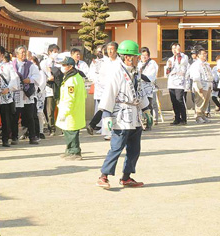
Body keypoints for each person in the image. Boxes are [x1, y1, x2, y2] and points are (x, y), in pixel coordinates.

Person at [96, 40, 152, 189]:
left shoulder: (136, 72)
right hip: (121, 115)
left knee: (135, 149)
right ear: (127, 57)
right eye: (135, 56)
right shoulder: (116, 72)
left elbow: (140, 92)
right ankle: (103, 176)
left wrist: (146, 109)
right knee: (116, 147)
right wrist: (106, 115)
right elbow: (109, 93)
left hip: (135, 115)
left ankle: (126, 177)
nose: (137, 59)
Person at [56, 57, 86, 160]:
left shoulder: (72, 80)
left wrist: (65, 111)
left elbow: (70, 98)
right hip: (74, 109)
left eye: (64, 65)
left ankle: (75, 152)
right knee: (68, 131)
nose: (62, 67)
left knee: (71, 132)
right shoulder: (73, 77)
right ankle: (69, 151)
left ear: (71, 67)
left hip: (72, 110)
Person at [12, 45, 40, 145]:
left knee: (30, 116)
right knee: (15, 116)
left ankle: (32, 136)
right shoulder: (12, 65)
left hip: (27, 93)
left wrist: (30, 80)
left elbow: (37, 77)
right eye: (21, 52)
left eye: (25, 52)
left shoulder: (31, 65)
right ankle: (14, 137)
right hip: (16, 92)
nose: (23, 54)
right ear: (17, 54)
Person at [0, 46, 19, 147]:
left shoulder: (8, 66)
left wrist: (8, 88)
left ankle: (5, 139)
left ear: (2, 55)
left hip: (5, 95)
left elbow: (14, 79)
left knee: (6, 118)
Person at [40, 44, 63, 136]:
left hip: (59, 87)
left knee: (61, 109)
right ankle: (52, 128)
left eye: (57, 52)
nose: (56, 54)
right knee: (50, 110)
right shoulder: (44, 62)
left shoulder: (60, 62)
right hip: (49, 88)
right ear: (49, 52)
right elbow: (45, 75)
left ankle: (62, 128)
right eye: (54, 52)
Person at [164, 43, 189, 125]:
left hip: (179, 82)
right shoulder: (170, 59)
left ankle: (184, 118)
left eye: (176, 48)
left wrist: (178, 54)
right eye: (173, 48)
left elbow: (183, 63)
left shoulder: (184, 57)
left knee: (179, 100)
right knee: (174, 101)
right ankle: (177, 118)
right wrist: (169, 67)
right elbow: (167, 73)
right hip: (171, 82)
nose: (174, 50)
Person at [189, 48, 213, 124]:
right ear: (198, 55)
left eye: (205, 53)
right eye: (203, 54)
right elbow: (195, 77)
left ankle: (203, 115)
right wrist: (199, 87)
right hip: (201, 85)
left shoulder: (207, 64)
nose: (205, 55)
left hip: (208, 84)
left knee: (206, 101)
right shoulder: (196, 64)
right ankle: (198, 116)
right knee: (200, 101)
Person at [137, 47, 159, 130]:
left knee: (148, 106)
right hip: (140, 88)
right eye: (142, 55)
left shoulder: (152, 63)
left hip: (148, 88)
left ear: (149, 56)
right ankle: (141, 123)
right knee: (140, 107)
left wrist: (139, 74)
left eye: (146, 55)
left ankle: (148, 124)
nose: (144, 57)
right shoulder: (138, 63)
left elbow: (149, 78)